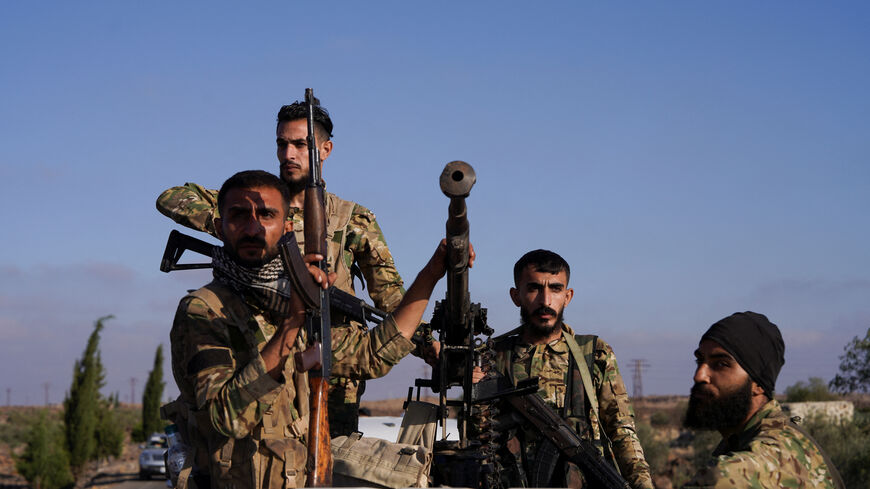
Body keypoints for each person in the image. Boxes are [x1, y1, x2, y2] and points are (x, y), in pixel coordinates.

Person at [169, 170, 461, 489]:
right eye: (238, 215)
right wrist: (293, 321)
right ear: (218, 227)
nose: (253, 227)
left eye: (266, 214)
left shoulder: (293, 303)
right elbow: (224, 418)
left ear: (287, 228)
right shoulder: (205, 310)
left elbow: (373, 354)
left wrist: (432, 272)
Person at [157, 102, 413, 436]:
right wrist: (238, 225)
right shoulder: (255, 203)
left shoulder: (353, 220)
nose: (288, 154)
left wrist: (426, 344)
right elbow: (171, 197)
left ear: (325, 149)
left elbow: (391, 297)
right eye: (282, 144)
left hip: (332, 372)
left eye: (300, 145)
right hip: (257, 356)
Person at [484, 250, 653, 489]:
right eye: (534, 288)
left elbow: (622, 431)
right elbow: (475, 434)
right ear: (516, 296)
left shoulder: (593, 354)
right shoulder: (492, 356)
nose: (545, 301)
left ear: (567, 296)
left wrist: (642, 484)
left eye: (555, 289)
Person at [682, 311, 844, 488]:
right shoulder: (749, 437)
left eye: (721, 364)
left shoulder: (760, 460)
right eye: (700, 361)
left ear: (758, 384)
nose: (699, 376)